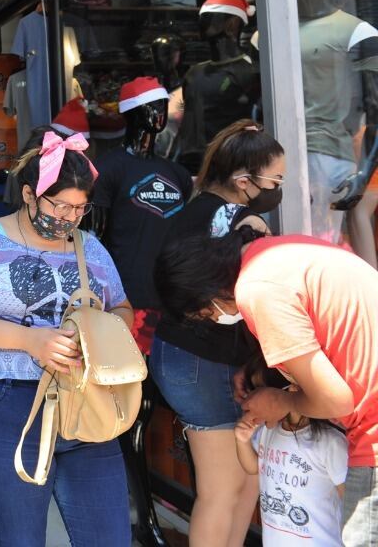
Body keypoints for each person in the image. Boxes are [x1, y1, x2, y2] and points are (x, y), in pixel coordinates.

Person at [0, 132, 134, 546]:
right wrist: (30, 341)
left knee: (110, 537)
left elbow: (122, 310)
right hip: (4, 402)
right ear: (29, 193)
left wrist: (93, 339)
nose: (68, 217)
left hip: (86, 403)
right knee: (20, 538)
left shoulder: (91, 248)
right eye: (59, 204)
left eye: (79, 208)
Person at [155, 230, 378, 547]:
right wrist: (260, 365)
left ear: (207, 292)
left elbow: (335, 400)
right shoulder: (271, 254)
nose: (216, 320)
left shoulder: (257, 290)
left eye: (206, 314)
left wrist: (280, 401)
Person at [151, 121, 285, 547]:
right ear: (245, 181)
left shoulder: (194, 208)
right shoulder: (246, 223)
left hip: (190, 356)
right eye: (276, 179)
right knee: (224, 488)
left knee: (246, 481)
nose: (278, 187)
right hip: (204, 360)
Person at [234, 362, 349, 547]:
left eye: (259, 393)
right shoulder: (266, 430)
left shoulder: (330, 443)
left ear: (293, 389)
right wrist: (242, 441)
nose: (251, 403)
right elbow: (253, 467)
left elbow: (350, 499)